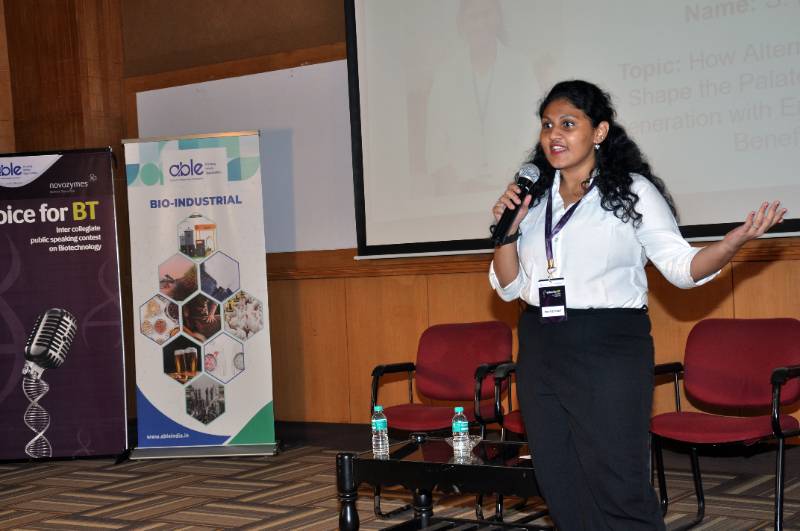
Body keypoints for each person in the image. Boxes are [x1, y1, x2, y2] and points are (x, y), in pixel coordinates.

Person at [489, 80, 786, 530]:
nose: (554, 135)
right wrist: (508, 230)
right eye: (547, 125)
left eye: (568, 123)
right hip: (540, 344)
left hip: (608, 347)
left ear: (599, 132)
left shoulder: (632, 191)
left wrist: (731, 244)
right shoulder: (534, 198)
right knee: (559, 481)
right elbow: (510, 286)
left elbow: (682, 268)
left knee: (617, 483)